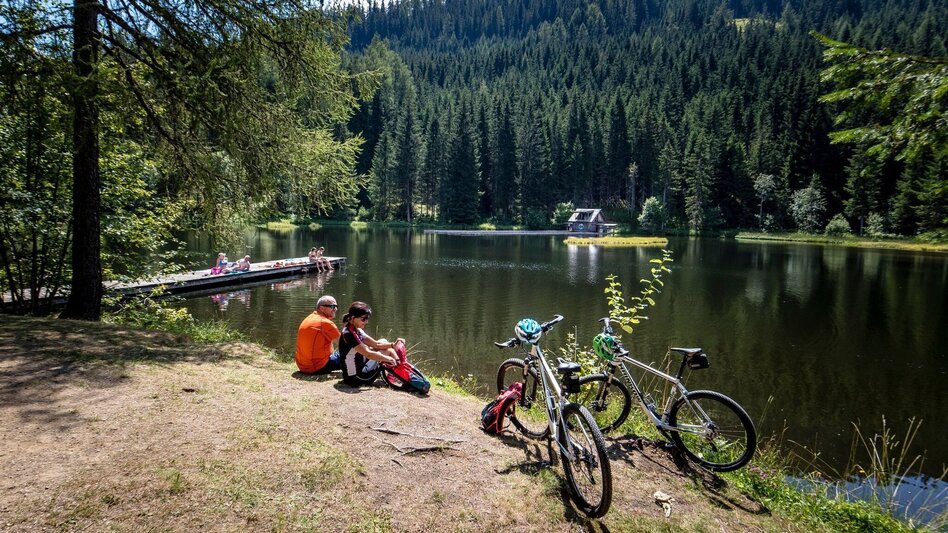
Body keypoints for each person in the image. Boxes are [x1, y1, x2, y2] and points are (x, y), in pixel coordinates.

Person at [338, 301, 404, 386]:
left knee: (383, 341)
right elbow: (368, 354)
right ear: (353, 318)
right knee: (388, 352)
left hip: (359, 368)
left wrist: (393, 344)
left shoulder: (356, 329)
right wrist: (388, 358)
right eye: (363, 319)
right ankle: (401, 372)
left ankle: (399, 370)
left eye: (367, 318)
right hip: (356, 378)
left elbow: (376, 344)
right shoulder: (349, 334)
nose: (366, 322)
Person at [295, 295, 343, 375]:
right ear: (321, 308)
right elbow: (344, 345)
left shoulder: (309, 318)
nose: (335, 309)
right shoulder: (325, 322)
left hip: (302, 366)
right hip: (318, 367)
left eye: (336, 306)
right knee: (355, 353)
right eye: (332, 306)